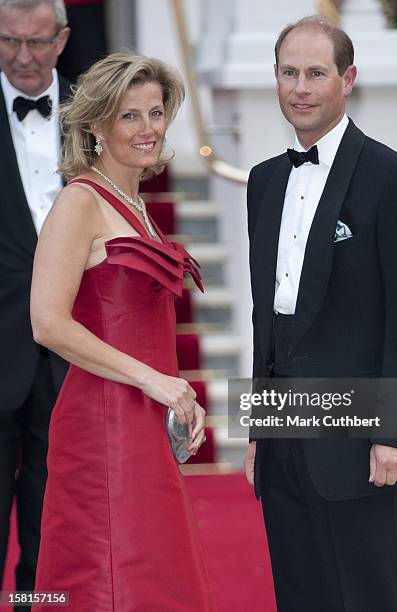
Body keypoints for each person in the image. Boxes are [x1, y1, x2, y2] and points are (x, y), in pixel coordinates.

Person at [244, 16, 397, 612]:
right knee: (300, 595)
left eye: (315, 73)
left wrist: (395, 436)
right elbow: (268, 316)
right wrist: (259, 430)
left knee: (372, 597)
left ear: (347, 78)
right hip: (283, 434)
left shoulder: (394, 179)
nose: (300, 88)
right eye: (288, 73)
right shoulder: (263, 182)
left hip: (363, 442)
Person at [30, 50, 216, 611]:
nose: (147, 128)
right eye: (128, 115)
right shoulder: (78, 202)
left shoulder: (137, 207)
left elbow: (144, 327)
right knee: (113, 581)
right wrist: (154, 382)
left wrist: (178, 398)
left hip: (143, 418)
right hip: (104, 423)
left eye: (155, 112)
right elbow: (47, 323)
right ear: (95, 125)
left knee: (155, 576)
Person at [0, 0, 70, 598]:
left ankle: (36, 608)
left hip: (71, 354)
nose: (23, 57)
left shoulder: (98, 116)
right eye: (8, 41)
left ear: (63, 39)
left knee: (53, 520)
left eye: (38, 42)